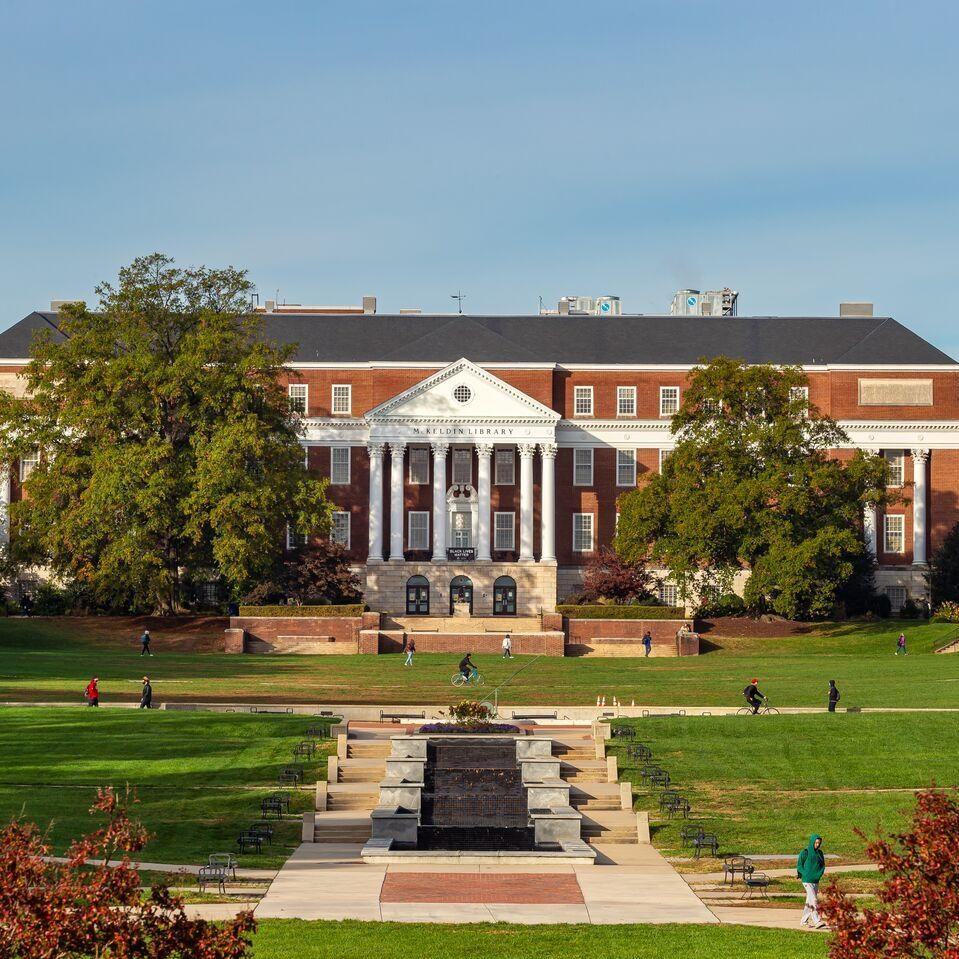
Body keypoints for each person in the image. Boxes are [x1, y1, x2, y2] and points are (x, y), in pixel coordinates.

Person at [797, 834, 827, 928]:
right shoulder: (805, 852)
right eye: (816, 842)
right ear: (812, 842)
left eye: (819, 843)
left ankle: (803, 921)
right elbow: (799, 865)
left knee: (809, 901)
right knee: (813, 899)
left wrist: (819, 874)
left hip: (815, 880)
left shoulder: (820, 853)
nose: (817, 844)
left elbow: (822, 865)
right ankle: (817, 921)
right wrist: (803, 873)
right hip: (806, 880)